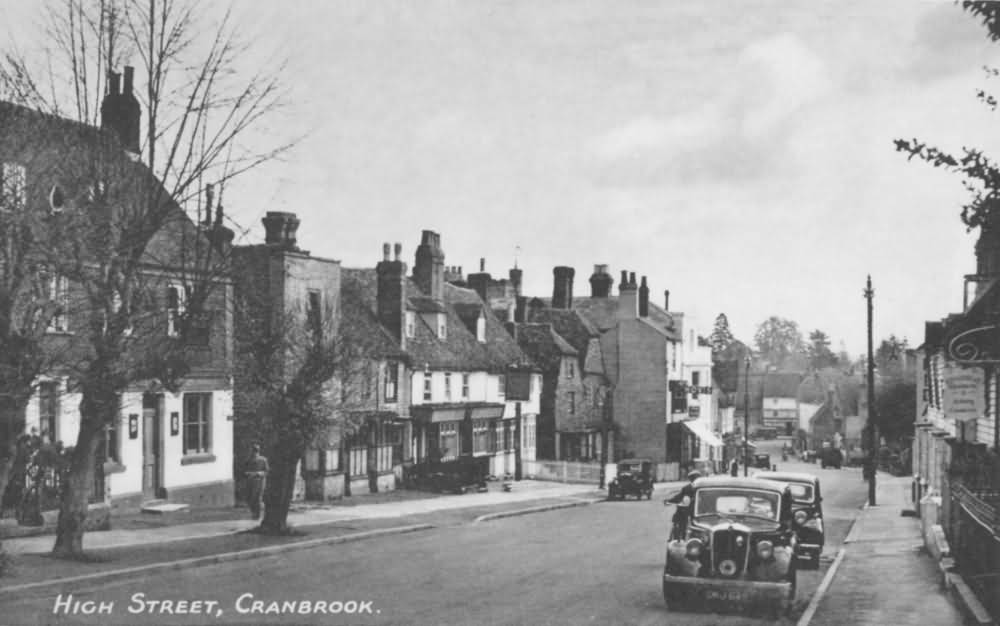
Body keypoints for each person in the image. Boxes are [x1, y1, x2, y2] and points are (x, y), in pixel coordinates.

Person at [665, 470, 701, 540]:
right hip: (691, 511)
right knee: (680, 518)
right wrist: (669, 500)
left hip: (695, 511)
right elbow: (679, 497)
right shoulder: (687, 488)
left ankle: (679, 535)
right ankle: (678, 535)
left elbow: (678, 497)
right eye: (694, 478)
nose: (695, 479)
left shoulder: (691, 488)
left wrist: (669, 501)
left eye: (696, 477)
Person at [244, 443, 270, 520]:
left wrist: (259, 473)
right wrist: (247, 473)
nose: (254, 453)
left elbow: (267, 471)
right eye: (253, 451)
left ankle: (257, 515)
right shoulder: (248, 460)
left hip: (260, 481)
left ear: (258, 452)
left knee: (258, 498)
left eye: (256, 451)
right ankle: (253, 512)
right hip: (250, 481)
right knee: (249, 498)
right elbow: (244, 470)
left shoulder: (263, 460)